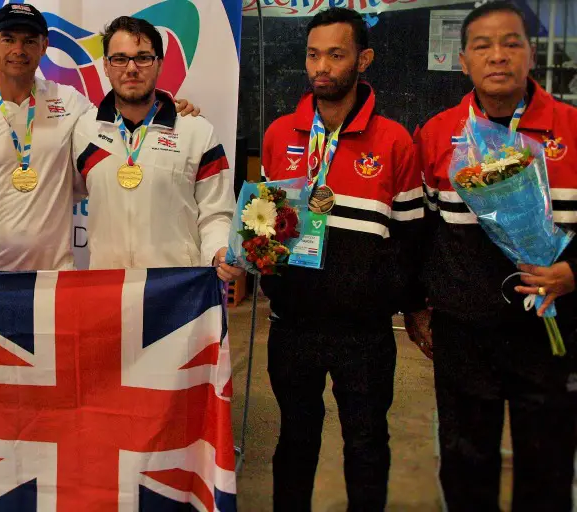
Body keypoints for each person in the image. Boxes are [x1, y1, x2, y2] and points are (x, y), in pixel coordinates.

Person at [410, 2, 577, 509]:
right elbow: (423, 232)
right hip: (465, 334)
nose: (497, 56)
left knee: (547, 466)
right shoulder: (437, 134)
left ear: (530, 55)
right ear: (463, 60)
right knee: (466, 464)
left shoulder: (572, 127)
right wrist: (417, 304)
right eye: (483, 46)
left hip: (553, 329)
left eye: (511, 43)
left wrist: (573, 272)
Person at [260, 8, 423, 510]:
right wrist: (267, 272)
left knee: (368, 446)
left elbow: (412, 236)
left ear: (363, 59)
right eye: (313, 54)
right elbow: (264, 226)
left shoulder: (395, 140)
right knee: (294, 444)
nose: (322, 66)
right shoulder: (279, 134)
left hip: (364, 333)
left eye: (336, 53)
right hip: (293, 326)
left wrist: (397, 299)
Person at [0, 3, 197, 273]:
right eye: (8, 39)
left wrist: (168, 108)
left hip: (53, 278)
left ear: (44, 46)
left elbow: (123, 118)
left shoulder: (70, 102)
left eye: (29, 41)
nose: (18, 50)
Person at [71, 16, 240, 281]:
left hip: (175, 289)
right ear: (105, 65)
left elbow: (216, 212)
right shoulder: (83, 130)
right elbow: (59, 196)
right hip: (107, 287)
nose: (131, 68)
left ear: (159, 64)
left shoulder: (196, 131)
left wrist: (219, 249)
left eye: (143, 58)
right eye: (119, 58)